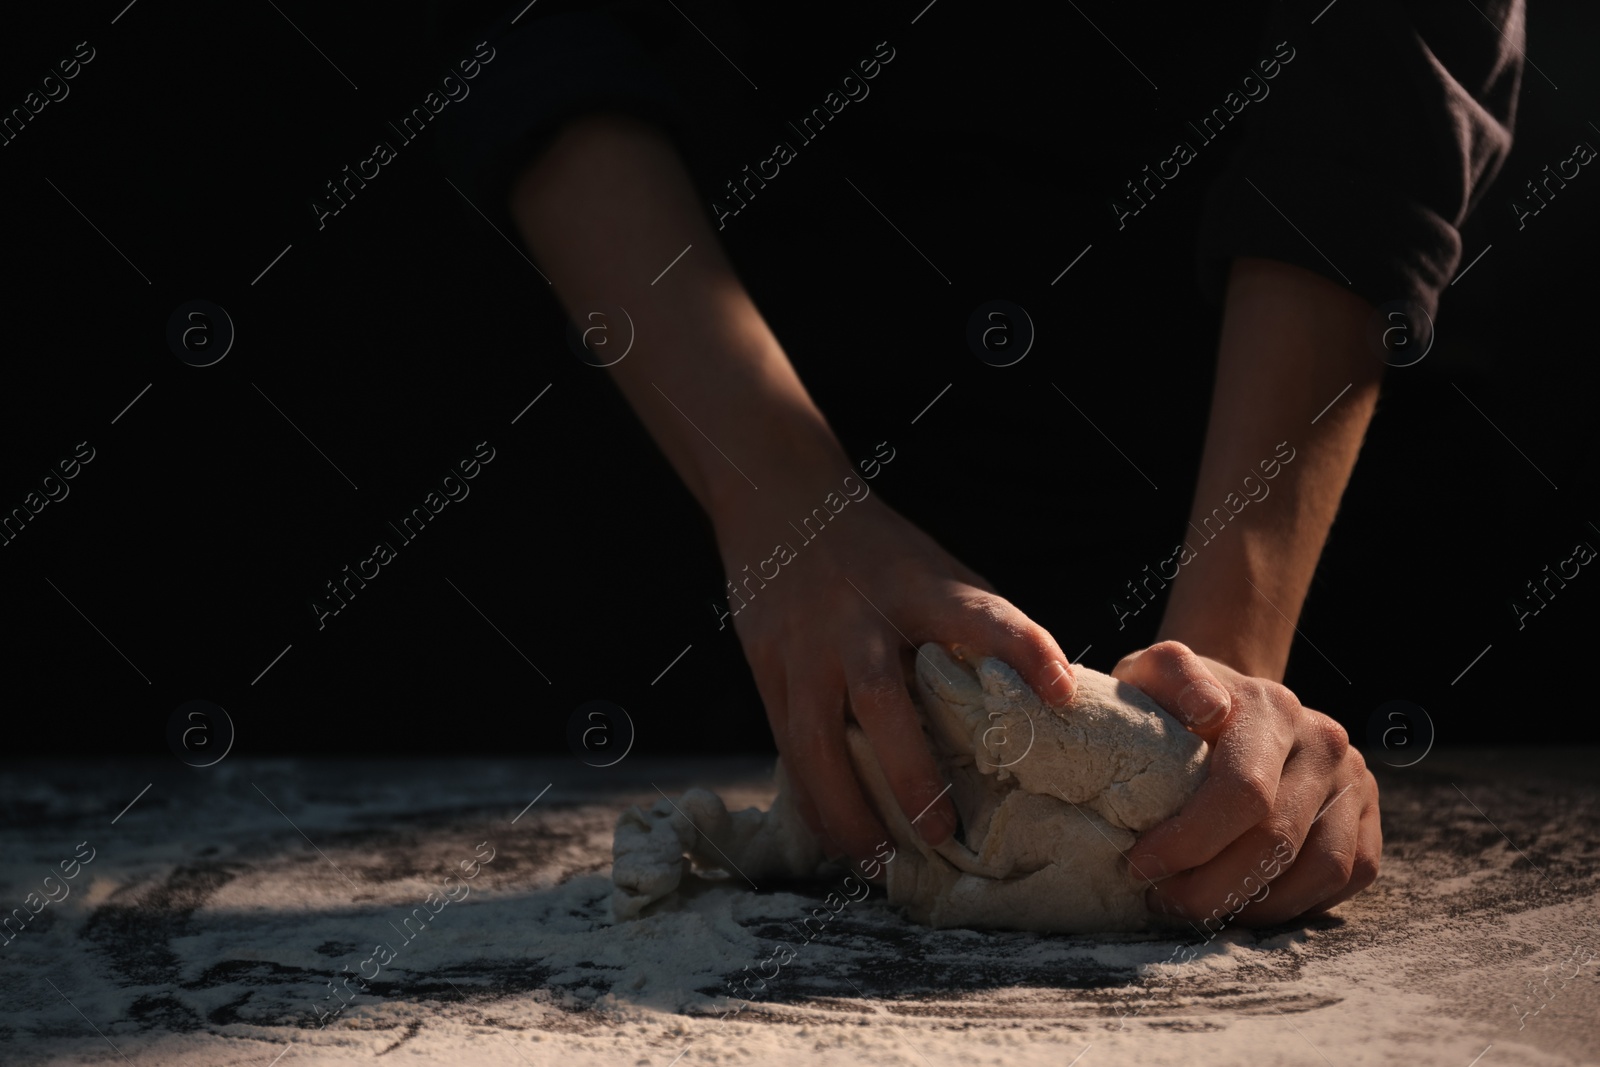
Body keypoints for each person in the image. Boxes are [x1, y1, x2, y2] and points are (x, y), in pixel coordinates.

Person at [432, 0, 1525, 924]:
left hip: (1208, 404)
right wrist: (775, 496)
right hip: (683, 390)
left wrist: (1218, 706)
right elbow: (540, 34)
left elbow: (1387, 73)